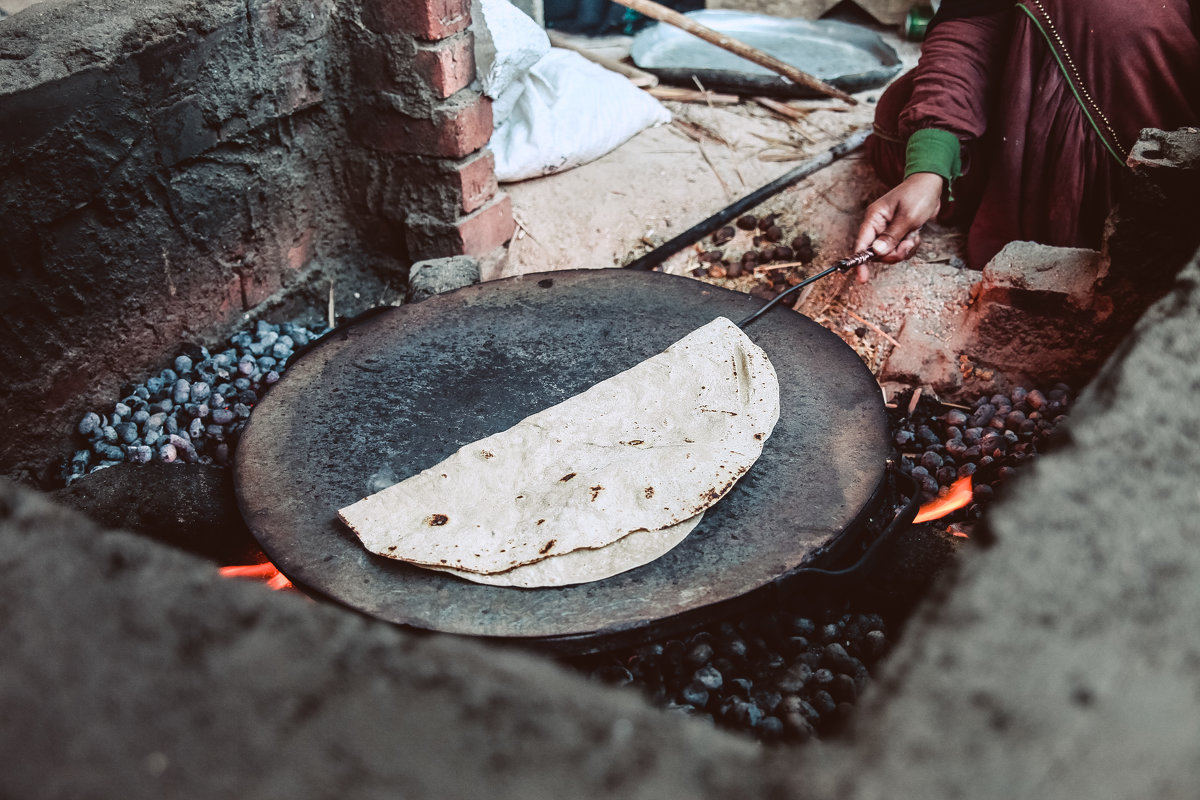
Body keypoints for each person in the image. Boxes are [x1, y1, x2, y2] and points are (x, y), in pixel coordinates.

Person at [853, 0, 1200, 280]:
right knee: (896, 131)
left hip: (1160, 121)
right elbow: (971, 21)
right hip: (1036, 79)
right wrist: (927, 171)